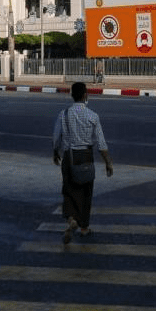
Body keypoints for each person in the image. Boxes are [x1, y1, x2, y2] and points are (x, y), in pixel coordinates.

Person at [52, 82, 113, 243]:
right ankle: (84, 227)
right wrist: (108, 163)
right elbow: (101, 143)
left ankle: (71, 219)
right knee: (86, 193)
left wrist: (55, 152)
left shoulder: (63, 114)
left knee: (69, 190)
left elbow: (56, 138)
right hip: (86, 156)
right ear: (85, 95)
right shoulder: (93, 116)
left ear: (72, 96)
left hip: (69, 156)